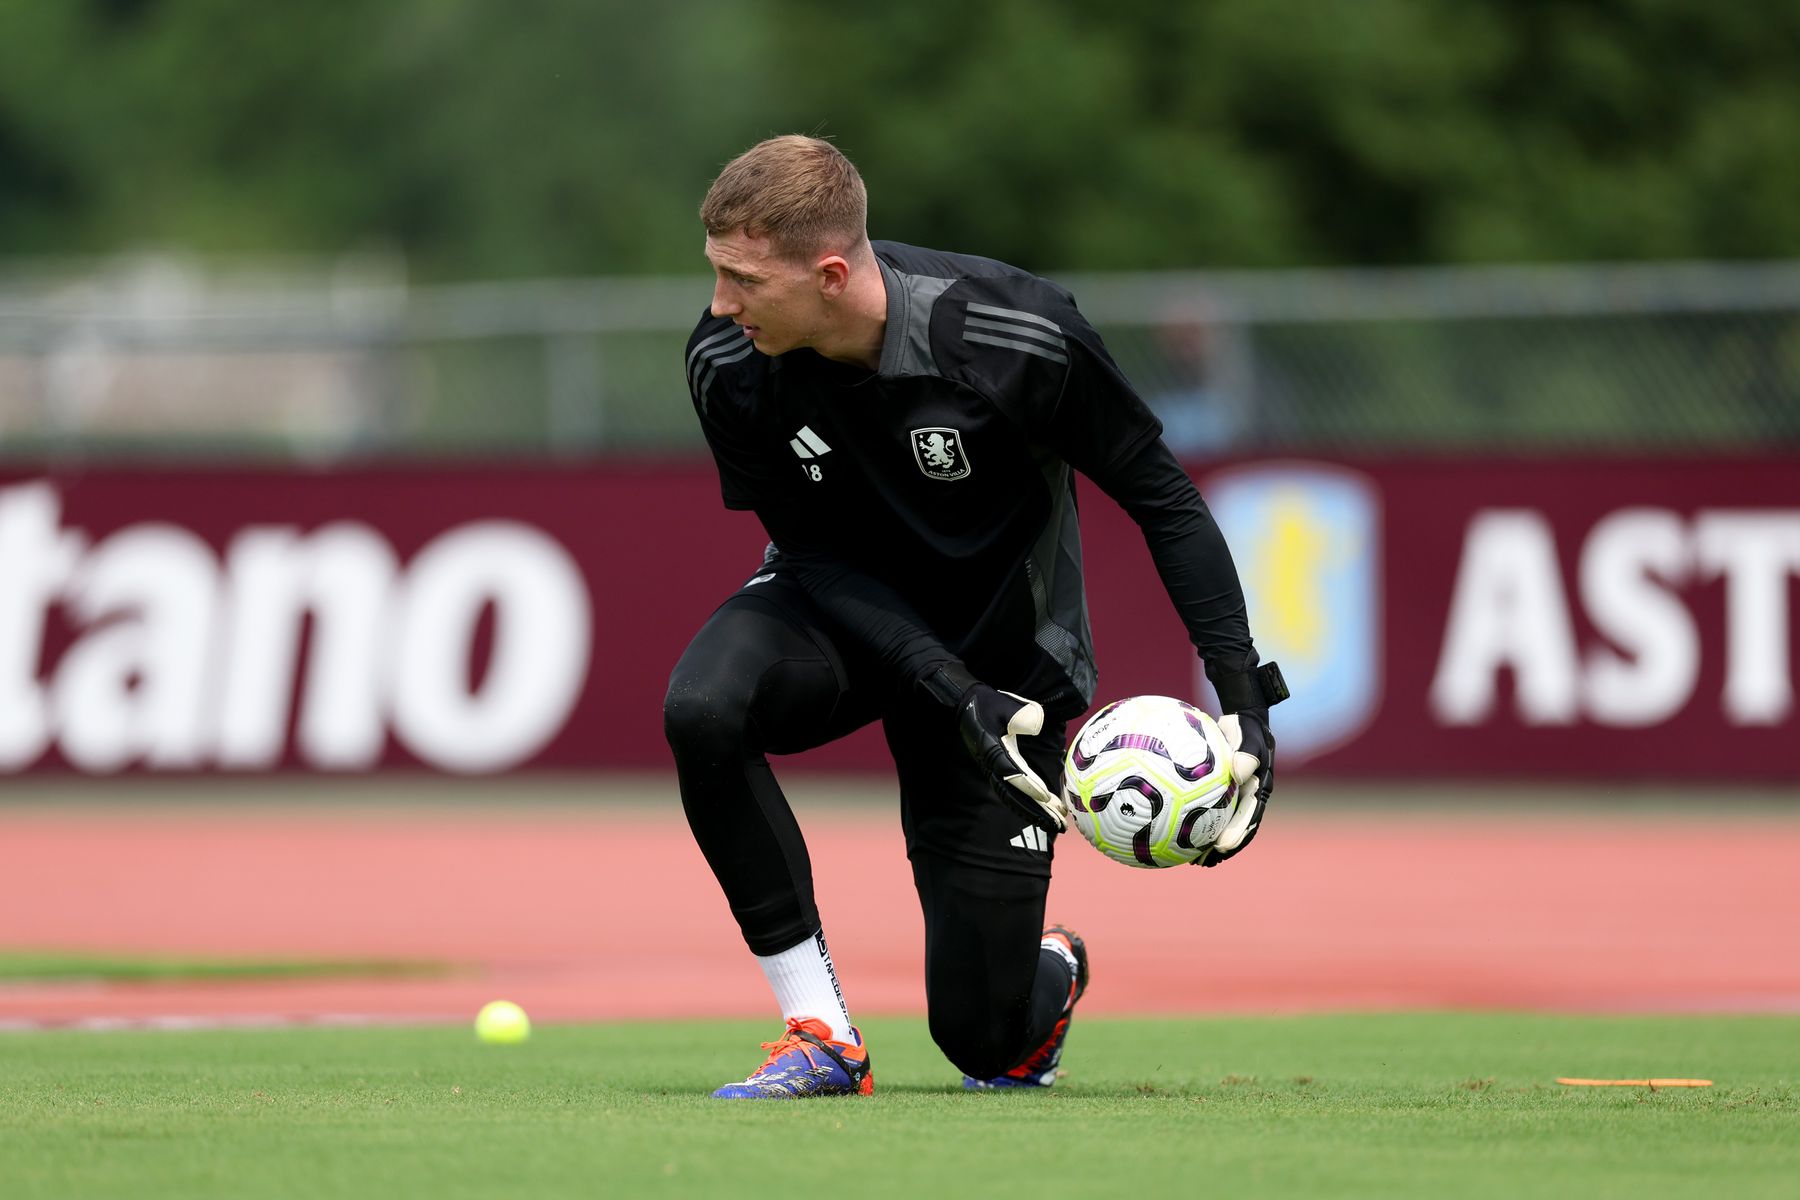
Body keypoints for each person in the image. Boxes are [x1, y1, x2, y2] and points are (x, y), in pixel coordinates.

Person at [666, 135, 1287, 1099]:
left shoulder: (1019, 334)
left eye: (743, 279)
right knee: (703, 707)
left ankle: (1050, 969)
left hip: (1010, 670)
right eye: (716, 274)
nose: (720, 305)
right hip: (846, 614)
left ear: (829, 274)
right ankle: (820, 1031)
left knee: (985, 1043)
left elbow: (1163, 499)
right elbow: (818, 554)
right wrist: (943, 685)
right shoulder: (729, 363)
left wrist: (1246, 700)